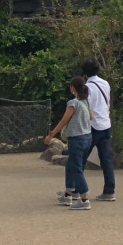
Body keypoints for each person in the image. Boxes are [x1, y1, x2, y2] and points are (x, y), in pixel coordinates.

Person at [45, 77, 92, 210]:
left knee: (76, 168)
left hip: (76, 139)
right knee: (71, 165)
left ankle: (84, 200)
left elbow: (63, 121)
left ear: (72, 88)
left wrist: (51, 135)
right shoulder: (87, 101)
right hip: (87, 137)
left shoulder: (73, 103)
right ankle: (68, 194)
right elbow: (92, 117)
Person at [81, 58, 116, 202]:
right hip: (106, 124)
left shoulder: (87, 88)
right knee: (106, 160)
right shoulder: (105, 83)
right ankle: (109, 190)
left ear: (84, 72)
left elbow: (85, 108)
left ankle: (75, 190)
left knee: (80, 158)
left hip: (92, 126)